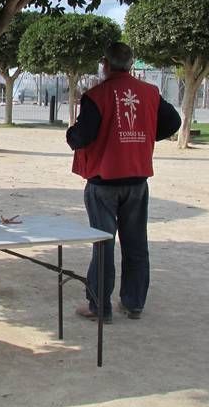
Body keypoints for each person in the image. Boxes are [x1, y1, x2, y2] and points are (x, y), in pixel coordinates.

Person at [66, 42, 181, 323]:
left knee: (103, 243)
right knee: (136, 242)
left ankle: (99, 306)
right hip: (137, 179)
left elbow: (83, 136)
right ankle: (133, 303)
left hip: (104, 181)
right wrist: (144, 135)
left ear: (105, 63)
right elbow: (173, 121)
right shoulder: (150, 93)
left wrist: (71, 134)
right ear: (131, 63)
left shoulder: (97, 95)